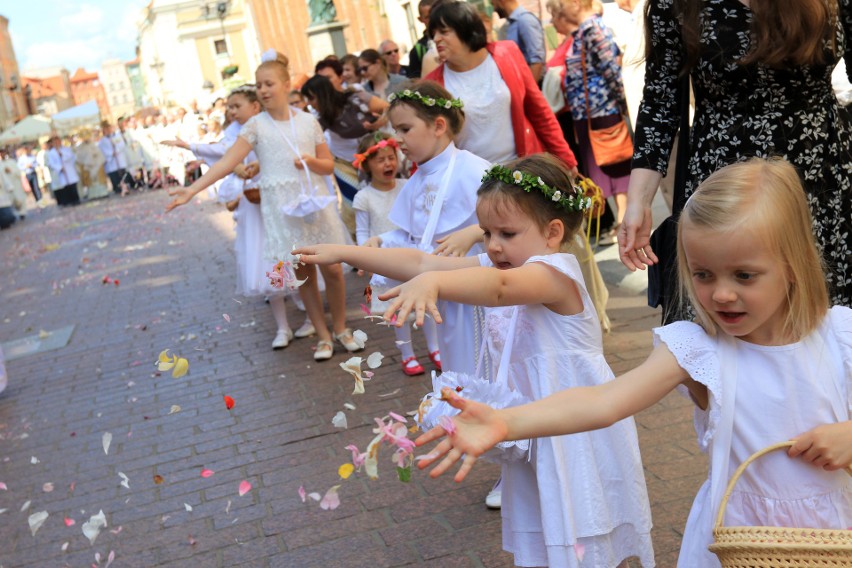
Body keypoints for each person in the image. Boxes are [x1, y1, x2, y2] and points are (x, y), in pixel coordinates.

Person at [417, 157, 852, 567]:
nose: (721, 293)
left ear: (792, 266)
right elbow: (604, 401)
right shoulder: (699, 349)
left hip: (836, 536)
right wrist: (507, 422)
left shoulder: (839, 337)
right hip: (737, 539)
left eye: (744, 275)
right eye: (703, 275)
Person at [294, 153, 654, 568]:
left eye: (507, 232)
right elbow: (422, 261)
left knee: (583, 523)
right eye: (486, 232)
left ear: (553, 232)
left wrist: (434, 282)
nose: (493, 244)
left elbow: (498, 287)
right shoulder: (502, 261)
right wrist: (343, 252)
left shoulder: (554, 273)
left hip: (573, 427)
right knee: (547, 528)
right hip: (530, 428)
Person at [621, 0, 852, 312]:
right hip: (724, 180)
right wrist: (638, 202)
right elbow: (660, 101)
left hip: (821, 176)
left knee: (823, 310)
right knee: (729, 306)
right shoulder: (674, 3)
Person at [166, 51, 359, 361]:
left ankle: (340, 328)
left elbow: (326, 165)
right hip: (282, 209)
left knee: (334, 269)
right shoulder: (256, 126)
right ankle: (322, 335)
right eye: (258, 85)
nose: (264, 90)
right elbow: (228, 162)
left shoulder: (308, 122)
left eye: (269, 83)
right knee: (303, 271)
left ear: (285, 85)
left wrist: (310, 161)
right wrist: (191, 190)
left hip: (314, 204)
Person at [424, 1, 577, 168]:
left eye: (444, 32)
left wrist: (566, 160)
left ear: (466, 29)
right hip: (476, 182)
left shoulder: (507, 53)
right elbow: (428, 144)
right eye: (434, 33)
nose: (436, 38)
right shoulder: (433, 84)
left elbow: (539, 111)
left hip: (525, 170)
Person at [352, 132, 441, 376]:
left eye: (391, 158)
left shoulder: (407, 186)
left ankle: (435, 348)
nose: (388, 164)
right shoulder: (364, 197)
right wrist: (365, 257)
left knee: (426, 302)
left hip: (413, 255)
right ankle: (407, 354)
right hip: (386, 263)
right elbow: (362, 233)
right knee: (399, 310)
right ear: (366, 165)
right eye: (380, 160)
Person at [561, 0, 631, 236]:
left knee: (617, 163)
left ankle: (624, 218)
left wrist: (622, 103)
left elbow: (611, 69)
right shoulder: (584, 30)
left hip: (603, 109)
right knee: (602, 169)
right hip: (589, 112)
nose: (560, 9)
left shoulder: (593, 28)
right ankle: (620, 219)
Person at [300, 74, 389, 232]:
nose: (310, 104)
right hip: (343, 162)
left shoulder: (355, 97)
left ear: (322, 94)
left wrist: (377, 125)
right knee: (353, 202)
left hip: (372, 157)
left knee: (377, 198)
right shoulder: (320, 118)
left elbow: (388, 108)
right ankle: (357, 243)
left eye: (312, 98)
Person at [491, 0, 546, 83]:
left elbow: (537, 61)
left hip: (535, 84)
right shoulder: (510, 24)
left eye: (494, 4)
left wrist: (530, 92)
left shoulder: (525, 20)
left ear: (502, 2)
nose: (494, 10)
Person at [74, 130, 110, 200]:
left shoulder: (94, 145)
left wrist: (95, 156)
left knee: (99, 181)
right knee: (91, 182)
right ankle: (93, 195)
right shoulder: (80, 148)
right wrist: (87, 160)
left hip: (97, 165)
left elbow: (99, 154)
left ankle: (103, 193)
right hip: (88, 167)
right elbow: (79, 157)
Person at [46, 136, 81, 206]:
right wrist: (59, 168)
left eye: (58, 141)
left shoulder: (66, 149)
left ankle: (76, 199)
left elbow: (71, 156)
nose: (57, 143)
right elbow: (51, 163)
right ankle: (69, 201)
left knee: (73, 186)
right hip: (61, 171)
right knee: (65, 187)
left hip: (69, 169)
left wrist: (62, 155)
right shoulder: (51, 153)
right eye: (55, 142)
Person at [98, 121, 129, 196]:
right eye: (106, 129)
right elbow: (102, 150)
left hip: (119, 159)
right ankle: (118, 189)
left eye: (109, 128)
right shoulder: (102, 141)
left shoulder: (117, 136)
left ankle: (125, 188)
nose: (108, 130)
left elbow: (122, 145)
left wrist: (117, 150)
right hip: (111, 162)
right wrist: (111, 153)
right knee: (115, 177)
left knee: (123, 175)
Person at [407, 0, 436, 79]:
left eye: (435, 14)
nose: (433, 20)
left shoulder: (454, 37)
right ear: (420, 19)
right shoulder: (417, 51)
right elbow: (416, 83)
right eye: (428, 17)